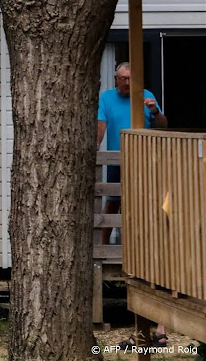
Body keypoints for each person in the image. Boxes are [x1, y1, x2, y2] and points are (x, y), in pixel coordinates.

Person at [97, 62, 169, 349]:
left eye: (131, 79)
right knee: (113, 202)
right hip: (117, 155)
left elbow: (164, 126)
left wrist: (153, 111)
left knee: (143, 204)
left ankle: (147, 240)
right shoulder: (106, 97)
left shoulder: (147, 94)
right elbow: (101, 128)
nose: (127, 83)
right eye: (123, 79)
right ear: (116, 79)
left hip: (145, 160)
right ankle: (103, 246)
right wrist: (95, 149)